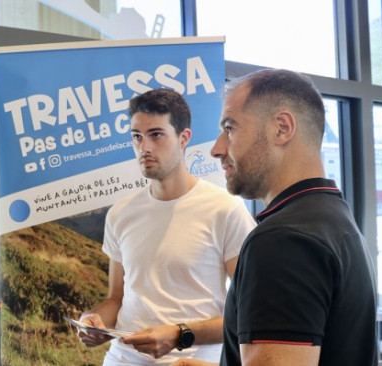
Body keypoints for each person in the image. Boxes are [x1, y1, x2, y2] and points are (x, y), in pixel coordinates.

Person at [180, 69, 376, 366]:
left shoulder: (283, 241)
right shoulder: (332, 220)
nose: (217, 149)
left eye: (230, 128)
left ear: (282, 128)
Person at [75, 88, 257, 365]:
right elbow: (115, 298)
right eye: (137, 136)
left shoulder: (224, 209)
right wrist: (96, 321)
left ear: (184, 138)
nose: (144, 147)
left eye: (156, 135)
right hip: (122, 358)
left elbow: (249, 313)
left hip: (192, 361)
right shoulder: (121, 213)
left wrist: (179, 334)